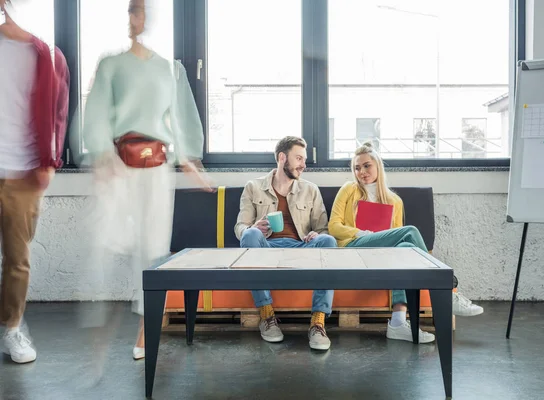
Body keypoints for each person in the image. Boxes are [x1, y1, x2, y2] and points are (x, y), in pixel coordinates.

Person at [81, 0, 213, 360]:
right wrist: (101, 157)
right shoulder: (111, 65)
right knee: (111, 238)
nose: (134, 18)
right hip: (118, 162)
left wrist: (189, 162)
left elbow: (181, 119)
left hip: (156, 168)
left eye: (139, 10)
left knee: (153, 247)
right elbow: (95, 115)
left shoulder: (169, 70)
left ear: (148, 18)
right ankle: (98, 324)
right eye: (130, 11)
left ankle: (144, 330)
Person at [329, 142, 483, 344]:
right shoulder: (349, 189)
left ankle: (398, 323)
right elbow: (334, 226)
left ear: (377, 166)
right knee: (410, 231)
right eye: (357, 168)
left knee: (404, 250)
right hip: (354, 248)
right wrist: (362, 233)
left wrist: (382, 237)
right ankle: (445, 289)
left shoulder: (394, 201)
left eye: (367, 165)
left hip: (382, 255)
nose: (362, 172)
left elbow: (398, 240)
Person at [0, 0, 70, 363]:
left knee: (17, 259)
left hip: (23, 174)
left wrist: (50, 162)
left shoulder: (49, 55)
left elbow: (59, 113)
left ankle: (11, 329)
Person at [234, 136, 336, 351]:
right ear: (282, 157)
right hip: (267, 248)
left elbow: (322, 229)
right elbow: (240, 228)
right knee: (250, 236)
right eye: (298, 158)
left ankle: (318, 322)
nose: (303, 165)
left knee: (328, 241)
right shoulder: (253, 187)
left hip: (300, 247)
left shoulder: (310, 190)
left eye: (304, 159)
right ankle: (267, 316)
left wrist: (315, 236)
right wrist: (253, 228)